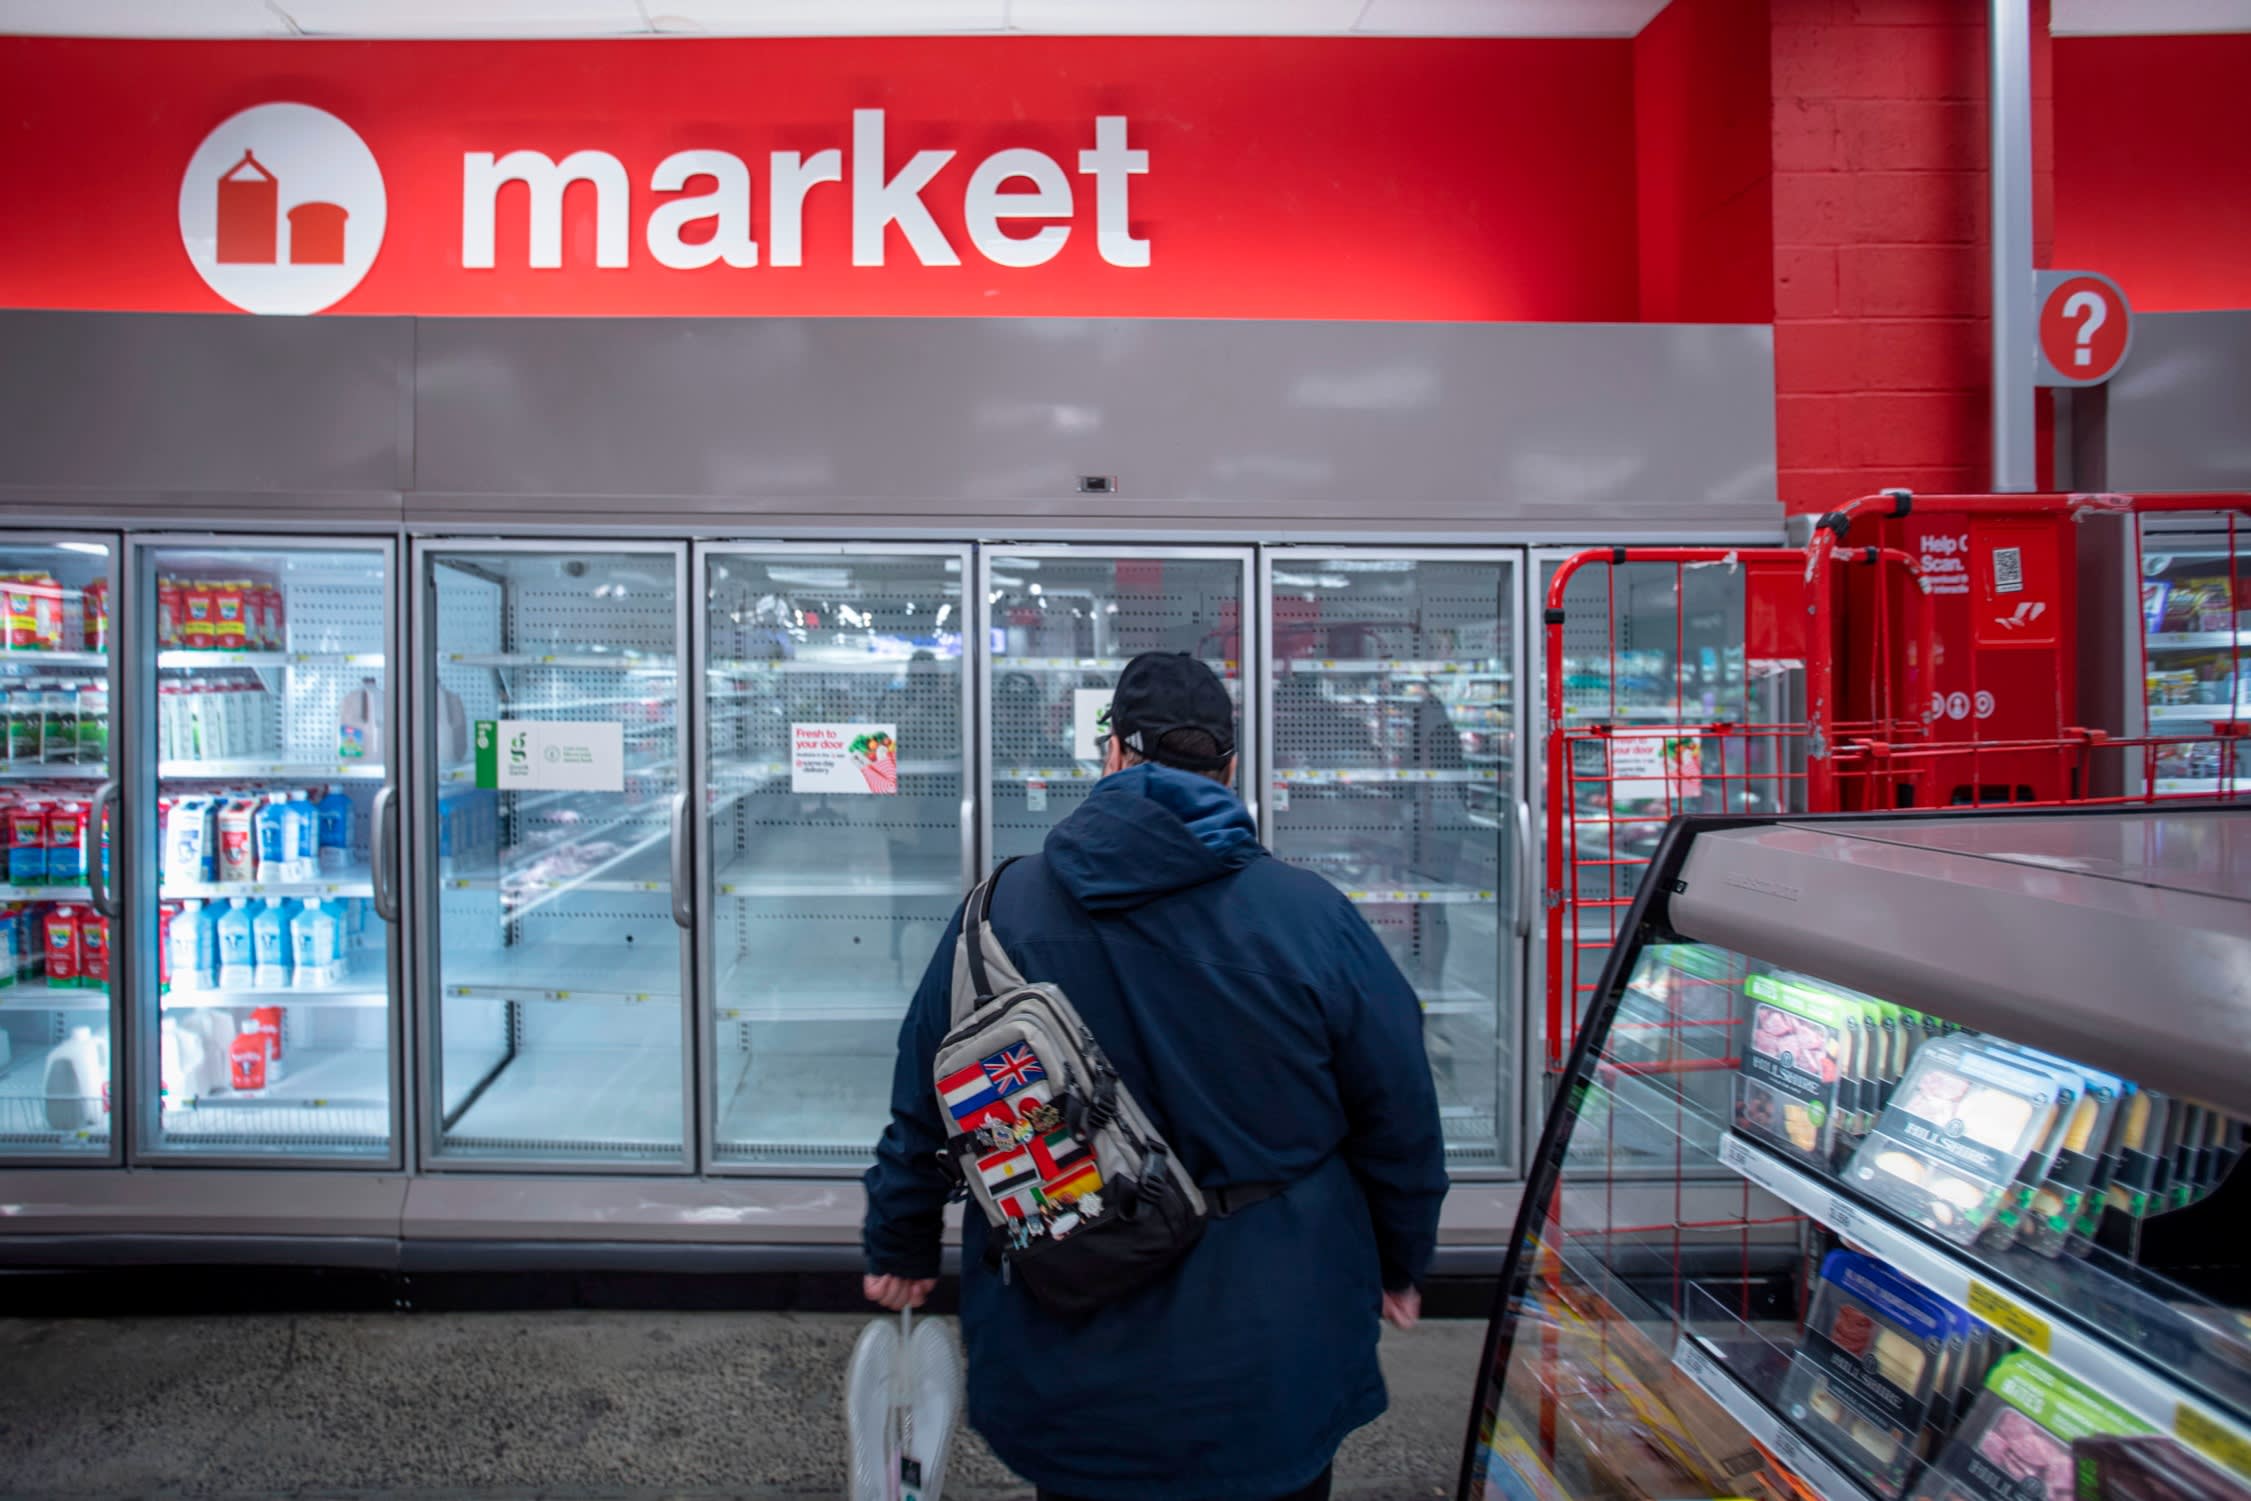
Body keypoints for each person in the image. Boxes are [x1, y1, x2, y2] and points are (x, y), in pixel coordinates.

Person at [862, 651, 1449, 1501]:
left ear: (1111, 755)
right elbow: (1400, 1119)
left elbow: (928, 1099)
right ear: (1230, 767)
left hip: (1068, 1335)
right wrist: (1401, 1261)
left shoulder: (1002, 908)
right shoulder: (1311, 917)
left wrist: (900, 1242)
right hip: (1270, 1348)